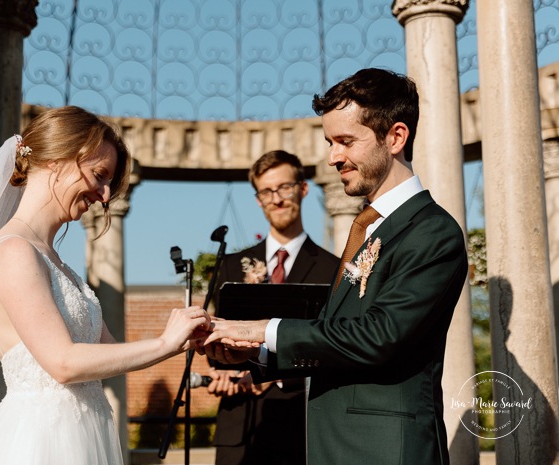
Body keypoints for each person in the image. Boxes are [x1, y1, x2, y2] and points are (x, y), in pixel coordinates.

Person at [0, 106, 210, 465]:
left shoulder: (61, 267)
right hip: (38, 443)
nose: (105, 196)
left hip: (85, 439)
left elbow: (110, 354)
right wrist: (165, 342)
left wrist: (185, 337)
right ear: (57, 160)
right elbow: (63, 362)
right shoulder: (14, 251)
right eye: (99, 175)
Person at [200, 68, 468, 465]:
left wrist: (258, 328)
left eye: (345, 141)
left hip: (385, 450)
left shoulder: (432, 232)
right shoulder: (369, 227)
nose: (332, 157)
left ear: (395, 137)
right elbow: (336, 339)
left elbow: (379, 335)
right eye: (329, 142)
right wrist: (255, 354)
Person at [207, 150, 339, 465]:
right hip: (238, 428)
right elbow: (217, 332)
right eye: (267, 191)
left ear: (303, 188)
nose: (276, 199)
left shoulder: (334, 269)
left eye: (284, 188)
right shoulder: (229, 266)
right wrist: (222, 365)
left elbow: (332, 345)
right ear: (258, 199)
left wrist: (271, 376)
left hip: (300, 427)